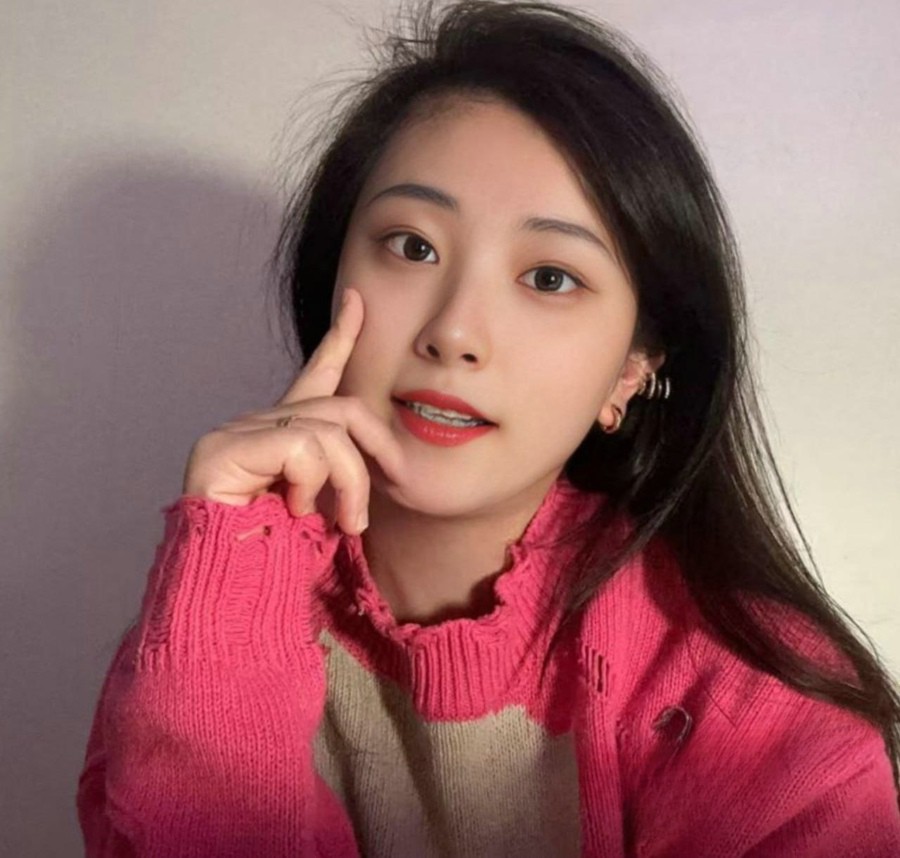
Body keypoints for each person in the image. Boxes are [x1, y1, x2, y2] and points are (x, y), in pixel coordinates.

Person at [76, 1, 900, 855]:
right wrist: (227, 583)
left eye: (550, 277)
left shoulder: (769, 719)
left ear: (631, 368)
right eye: (413, 247)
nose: (455, 332)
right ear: (331, 280)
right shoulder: (213, 609)